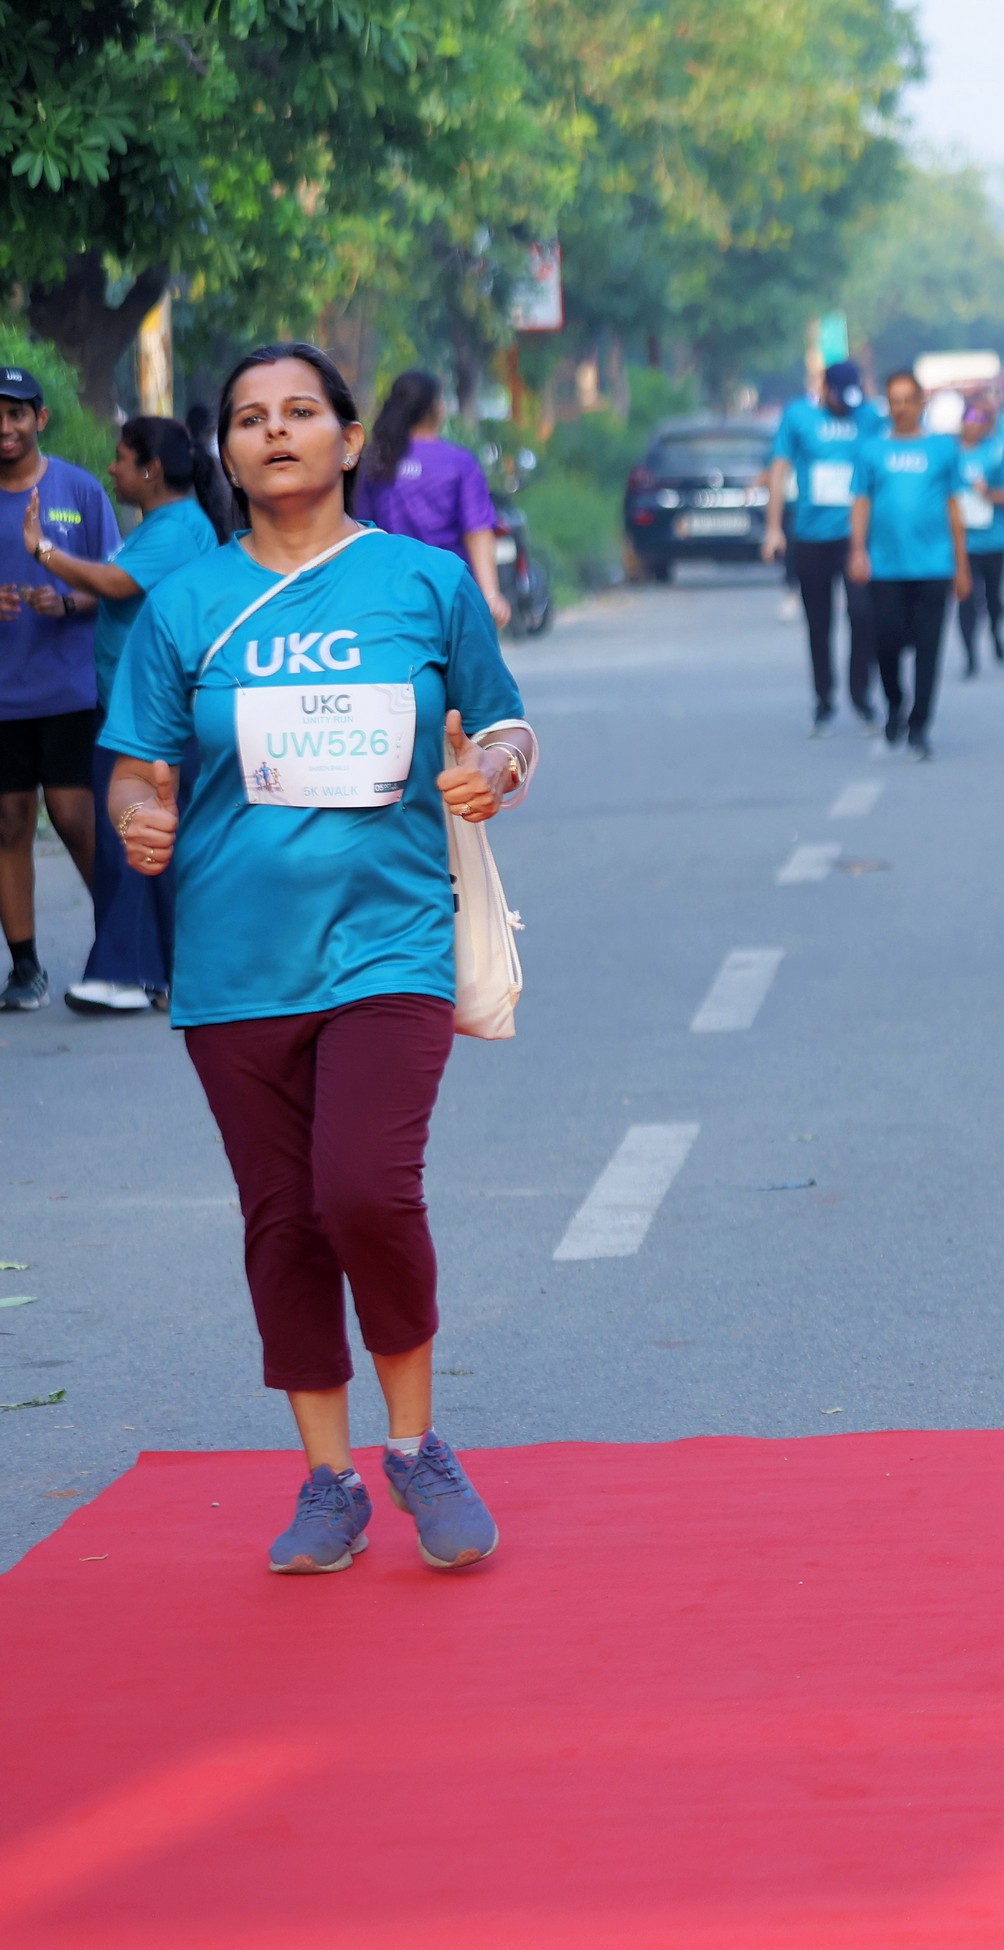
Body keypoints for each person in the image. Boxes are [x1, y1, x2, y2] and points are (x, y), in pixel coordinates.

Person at [103, 340, 538, 1576]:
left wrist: (495, 768)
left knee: (364, 1190)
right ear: (227, 453)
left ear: (350, 440)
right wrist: (139, 814)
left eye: (302, 411)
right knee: (285, 1218)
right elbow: (139, 764)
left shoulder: (421, 582)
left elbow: (505, 721)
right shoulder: (187, 603)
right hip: (233, 960)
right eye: (250, 418)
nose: (276, 432)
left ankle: (417, 1446)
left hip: (390, 942)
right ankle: (328, 1479)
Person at [23, 415, 222, 1011]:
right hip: (137, 705)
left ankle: (127, 973)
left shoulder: (179, 527)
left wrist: (43, 550)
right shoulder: (160, 526)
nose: (111, 469)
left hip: (155, 710)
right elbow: (123, 589)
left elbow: (114, 583)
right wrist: (67, 603)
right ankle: (160, 972)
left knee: (129, 836)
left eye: (120, 458)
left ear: (151, 469)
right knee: (143, 839)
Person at [0, 363, 120, 1012]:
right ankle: (25, 969)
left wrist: (67, 601)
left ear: (40, 419)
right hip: (3, 698)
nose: (6, 427)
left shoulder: (79, 489)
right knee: (10, 821)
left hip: (71, 689)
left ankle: (126, 945)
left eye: (16, 413)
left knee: (74, 818)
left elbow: (119, 583)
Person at [848, 367, 967, 756]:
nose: (901, 408)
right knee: (886, 642)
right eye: (894, 401)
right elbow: (861, 502)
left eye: (907, 400)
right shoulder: (871, 450)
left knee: (929, 650)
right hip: (885, 567)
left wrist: (962, 565)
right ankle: (895, 703)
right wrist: (857, 550)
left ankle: (920, 725)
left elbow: (954, 507)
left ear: (921, 403)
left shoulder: (942, 449)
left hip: (933, 566)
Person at [761, 359, 878, 732]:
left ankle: (861, 695)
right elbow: (779, 469)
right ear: (825, 389)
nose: (846, 406)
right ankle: (824, 699)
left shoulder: (869, 417)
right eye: (840, 398)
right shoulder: (798, 416)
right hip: (811, 536)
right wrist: (774, 528)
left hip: (856, 536)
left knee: (862, 614)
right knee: (818, 622)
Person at [353, 370, 513, 631]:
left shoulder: (375, 463)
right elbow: (477, 530)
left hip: (391, 597)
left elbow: (360, 531)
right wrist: (491, 594)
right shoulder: (458, 462)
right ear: (436, 407)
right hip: (449, 594)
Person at [956, 400, 1004, 676]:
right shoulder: (950, 455)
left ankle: (995, 631)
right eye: (969, 421)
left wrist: (987, 493)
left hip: (995, 541)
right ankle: (970, 656)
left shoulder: (996, 453)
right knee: (966, 599)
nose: (973, 427)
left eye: (979, 422)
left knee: (993, 599)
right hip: (963, 543)